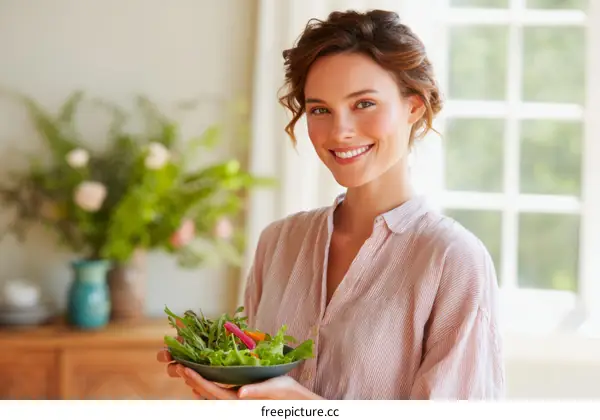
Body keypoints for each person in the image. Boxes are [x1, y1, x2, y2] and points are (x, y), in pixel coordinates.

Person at [157, 9, 505, 400]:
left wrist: (300, 405)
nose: (339, 131)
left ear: (414, 106)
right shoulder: (278, 243)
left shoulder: (453, 261)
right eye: (320, 109)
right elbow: (254, 392)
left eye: (364, 104)